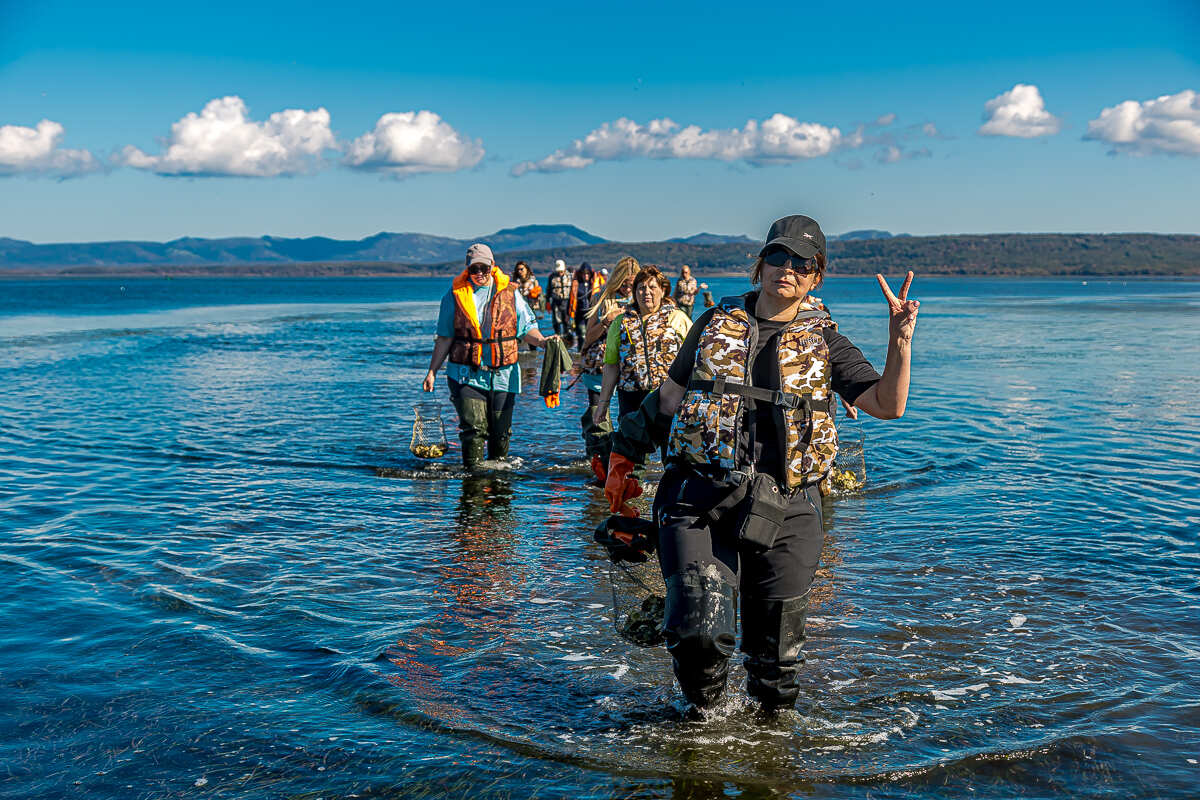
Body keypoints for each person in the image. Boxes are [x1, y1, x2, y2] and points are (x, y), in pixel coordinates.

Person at [603, 215, 919, 715]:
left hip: (788, 508)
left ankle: (769, 746)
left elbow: (888, 404)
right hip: (699, 495)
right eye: (778, 256)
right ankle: (704, 726)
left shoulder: (826, 343)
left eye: (802, 263)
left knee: (776, 666)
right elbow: (667, 399)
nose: (787, 269)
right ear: (760, 264)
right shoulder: (712, 324)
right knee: (699, 636)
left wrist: (900, 339)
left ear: (816, 277)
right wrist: (621, 459)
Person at [423, 243, 552, 469]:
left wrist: (542, 342)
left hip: (504, 375)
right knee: (473, 430)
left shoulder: (511, 294)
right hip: (465, 374)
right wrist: (432, 372)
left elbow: (526, 329)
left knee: (501, 432)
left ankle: (499, 484)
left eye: (484, 267)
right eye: (474, 269)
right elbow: (444, 338)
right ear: (467, 269)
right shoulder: (453, 296)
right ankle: (473, 478)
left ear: (492, 266)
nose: (479, 273)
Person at [593, 264, 691, 427]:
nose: (646, 292)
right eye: (641, 288)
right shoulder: (621, 322)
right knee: (629, 442)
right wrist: (603, 404)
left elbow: (695, 360)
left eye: (652, 287)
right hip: (630, 399)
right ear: (634, 292)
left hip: (669, 398)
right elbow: (611, 365)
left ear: (663, 290)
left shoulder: (677, 318)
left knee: (668, 443)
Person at [578, 256, 638, 482]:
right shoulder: (602, 298)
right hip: (599, 366)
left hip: (629, 368)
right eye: (624, 283)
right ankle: (599, 463)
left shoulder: (643, 298)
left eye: (631, 284)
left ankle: (625, 468)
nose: (627, 288)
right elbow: (588, 337)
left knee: (628, 417)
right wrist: (606, 321)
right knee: (597, 416)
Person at [569, 262, 605, 345]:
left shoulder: (594, 285)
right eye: (584, 274)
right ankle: (580, 350)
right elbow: (571, 299)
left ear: (590, 274)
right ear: (581, 274)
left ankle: (590, 349)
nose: (586, 276)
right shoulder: (576, 284)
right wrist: (569, 315)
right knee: (581, 334)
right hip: (579, 313)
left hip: (591, 313)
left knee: (591, 334)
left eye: (588, 274)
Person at [547, 260, 573, 340]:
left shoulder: (570, 276)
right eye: (559, 271)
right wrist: (547, 302)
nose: (560, 273)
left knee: (567, 321)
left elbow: (573, 290)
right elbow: (548, 290)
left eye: (561, 271)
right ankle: (557, 336)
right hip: (556, 302)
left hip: (567, 301)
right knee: (556, 321)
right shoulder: (552, 277)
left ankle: (567, 337)